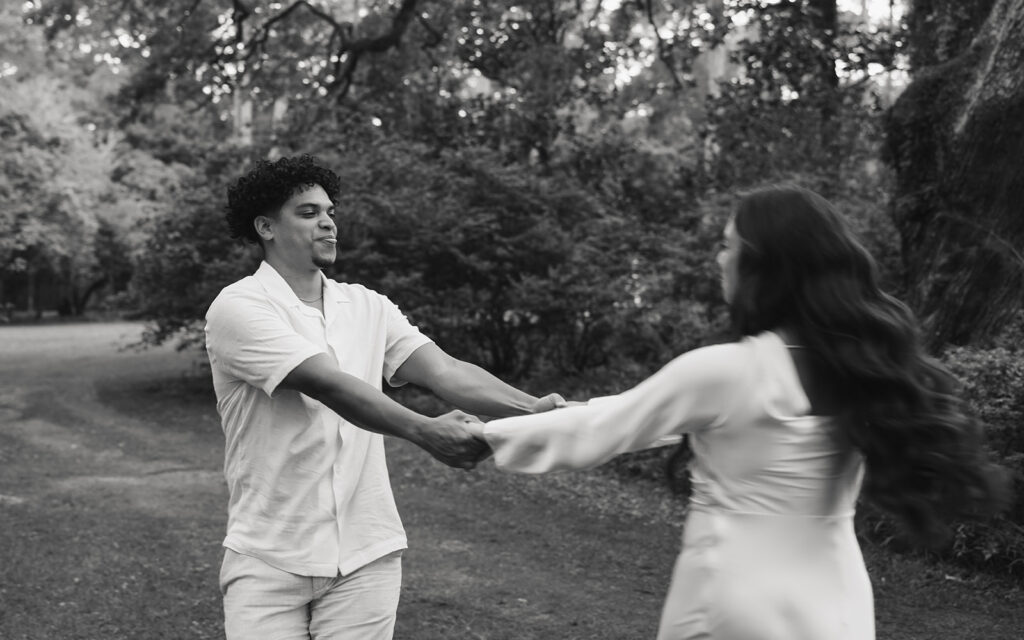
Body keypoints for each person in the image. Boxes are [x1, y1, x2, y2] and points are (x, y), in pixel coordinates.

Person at [481, 185, 1009, 640]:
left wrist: (484, 436)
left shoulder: (728, 371)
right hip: (836, 602)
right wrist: (566, 410)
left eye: (727, 245)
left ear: (763, 265)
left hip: (732, 597)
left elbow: (601, 431)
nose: (719, 258)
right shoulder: (863, 370)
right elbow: (681, 418)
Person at [204, 155, 564, 640]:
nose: (329, 223)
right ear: (266, 226)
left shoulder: (367, 305)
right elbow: (328, 384)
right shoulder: (238, 307)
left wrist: (532, 410)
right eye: (308, 213)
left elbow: (446, 372)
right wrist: (425, 430)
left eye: (330, 211)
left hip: (366, 555)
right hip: (269, 558)